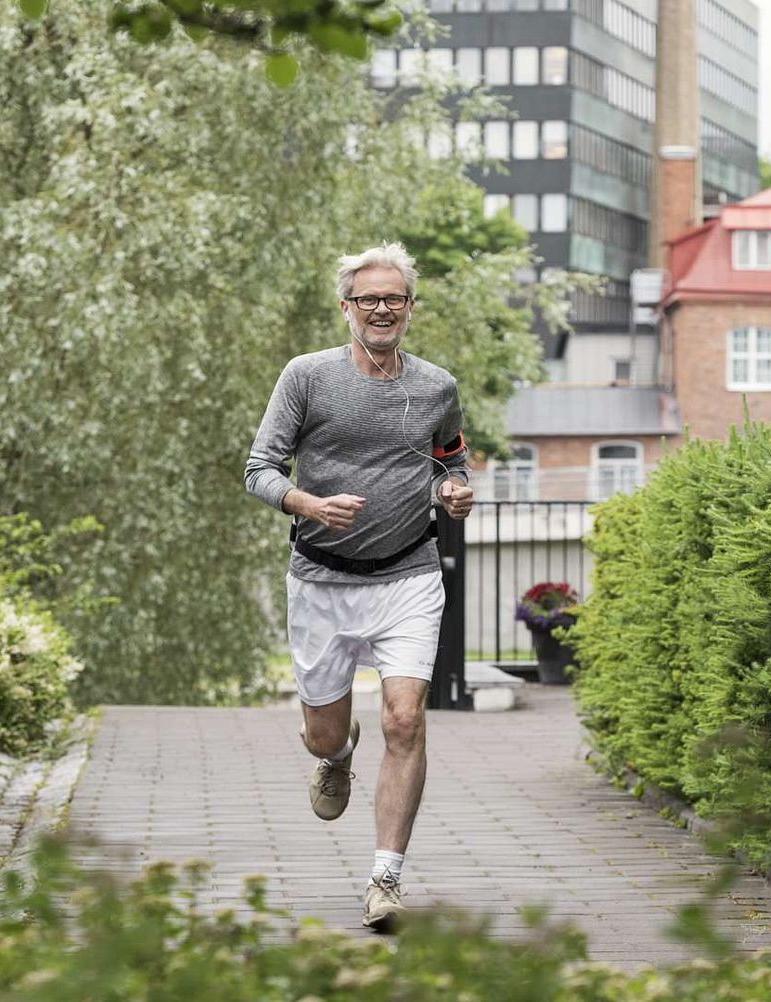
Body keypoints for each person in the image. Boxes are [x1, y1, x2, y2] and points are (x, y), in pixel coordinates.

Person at [243, 242, 474, 932]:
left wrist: (455, 492)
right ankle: (337, 756)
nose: (382, 308)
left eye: (394, 298)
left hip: (408, 571)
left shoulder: (436, 386)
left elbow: (450, 460)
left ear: (410, 307)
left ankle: (385, 880)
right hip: (320, 578)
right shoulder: (306, 378)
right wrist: (305, 504)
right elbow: (258, 468)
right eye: (369, 298)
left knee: (405, 719)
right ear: (346, 307)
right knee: (322, 732)